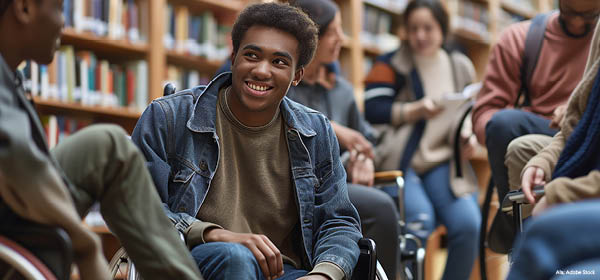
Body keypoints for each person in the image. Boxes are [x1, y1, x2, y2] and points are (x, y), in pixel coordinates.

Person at [131, 3, 361, 280]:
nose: (262, 71)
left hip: (283, 272)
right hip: (189, 262)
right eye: (252, 55)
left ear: (297, 75)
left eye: (279, 62)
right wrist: (214, 234)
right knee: (234, 257)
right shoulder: (169, 116)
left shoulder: (316, 132)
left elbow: (338, 221)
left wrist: (323, 275)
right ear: (233, 58)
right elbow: (136, 207)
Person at [0, 0, 203, 279]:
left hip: (17, 217)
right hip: (14, 231)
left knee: (107, 145)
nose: (64, 22)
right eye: (59, 9)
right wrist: (85, 244)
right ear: (23, 8)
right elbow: (23, 174)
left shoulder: (10, 78)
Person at [363, 1, 480, 279]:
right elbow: (372, 109)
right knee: (418, 224)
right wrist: (415, 110)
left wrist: (470, 137)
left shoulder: (459, 65)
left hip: (445, 163)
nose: (420, 35)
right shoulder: (389, 62)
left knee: (469, 224)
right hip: (405, 163)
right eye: (413, 28)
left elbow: (470, 112)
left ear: (442, 28)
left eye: (428, 28)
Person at [471, 0, 600, 252]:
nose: (576, 22)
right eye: (569, 13)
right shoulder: (520, 38)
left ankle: (520, 226)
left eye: (589, 18)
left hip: (585, 131)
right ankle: (515, 220)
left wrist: (573, 112)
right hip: (547, 128)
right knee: (503, 124)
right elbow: (485, 116)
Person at [284, 0, 400, 278]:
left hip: (342, 182)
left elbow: (366, 140)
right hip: (301, 186)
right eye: (333, 32)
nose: (342, 39)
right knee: (381, 207)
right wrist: (335, 129)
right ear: (311, 38)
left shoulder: (343, 91)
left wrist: (363, 158)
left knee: (382, 201)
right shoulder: (283, 83)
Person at [506, 20, 600, 279]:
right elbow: (579, 115)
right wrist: (545, 159)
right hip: (561, 133)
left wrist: (559, 194)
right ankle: (512, 233)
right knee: (514, 139)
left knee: (541, 238)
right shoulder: (522, 37)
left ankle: (516, 240)